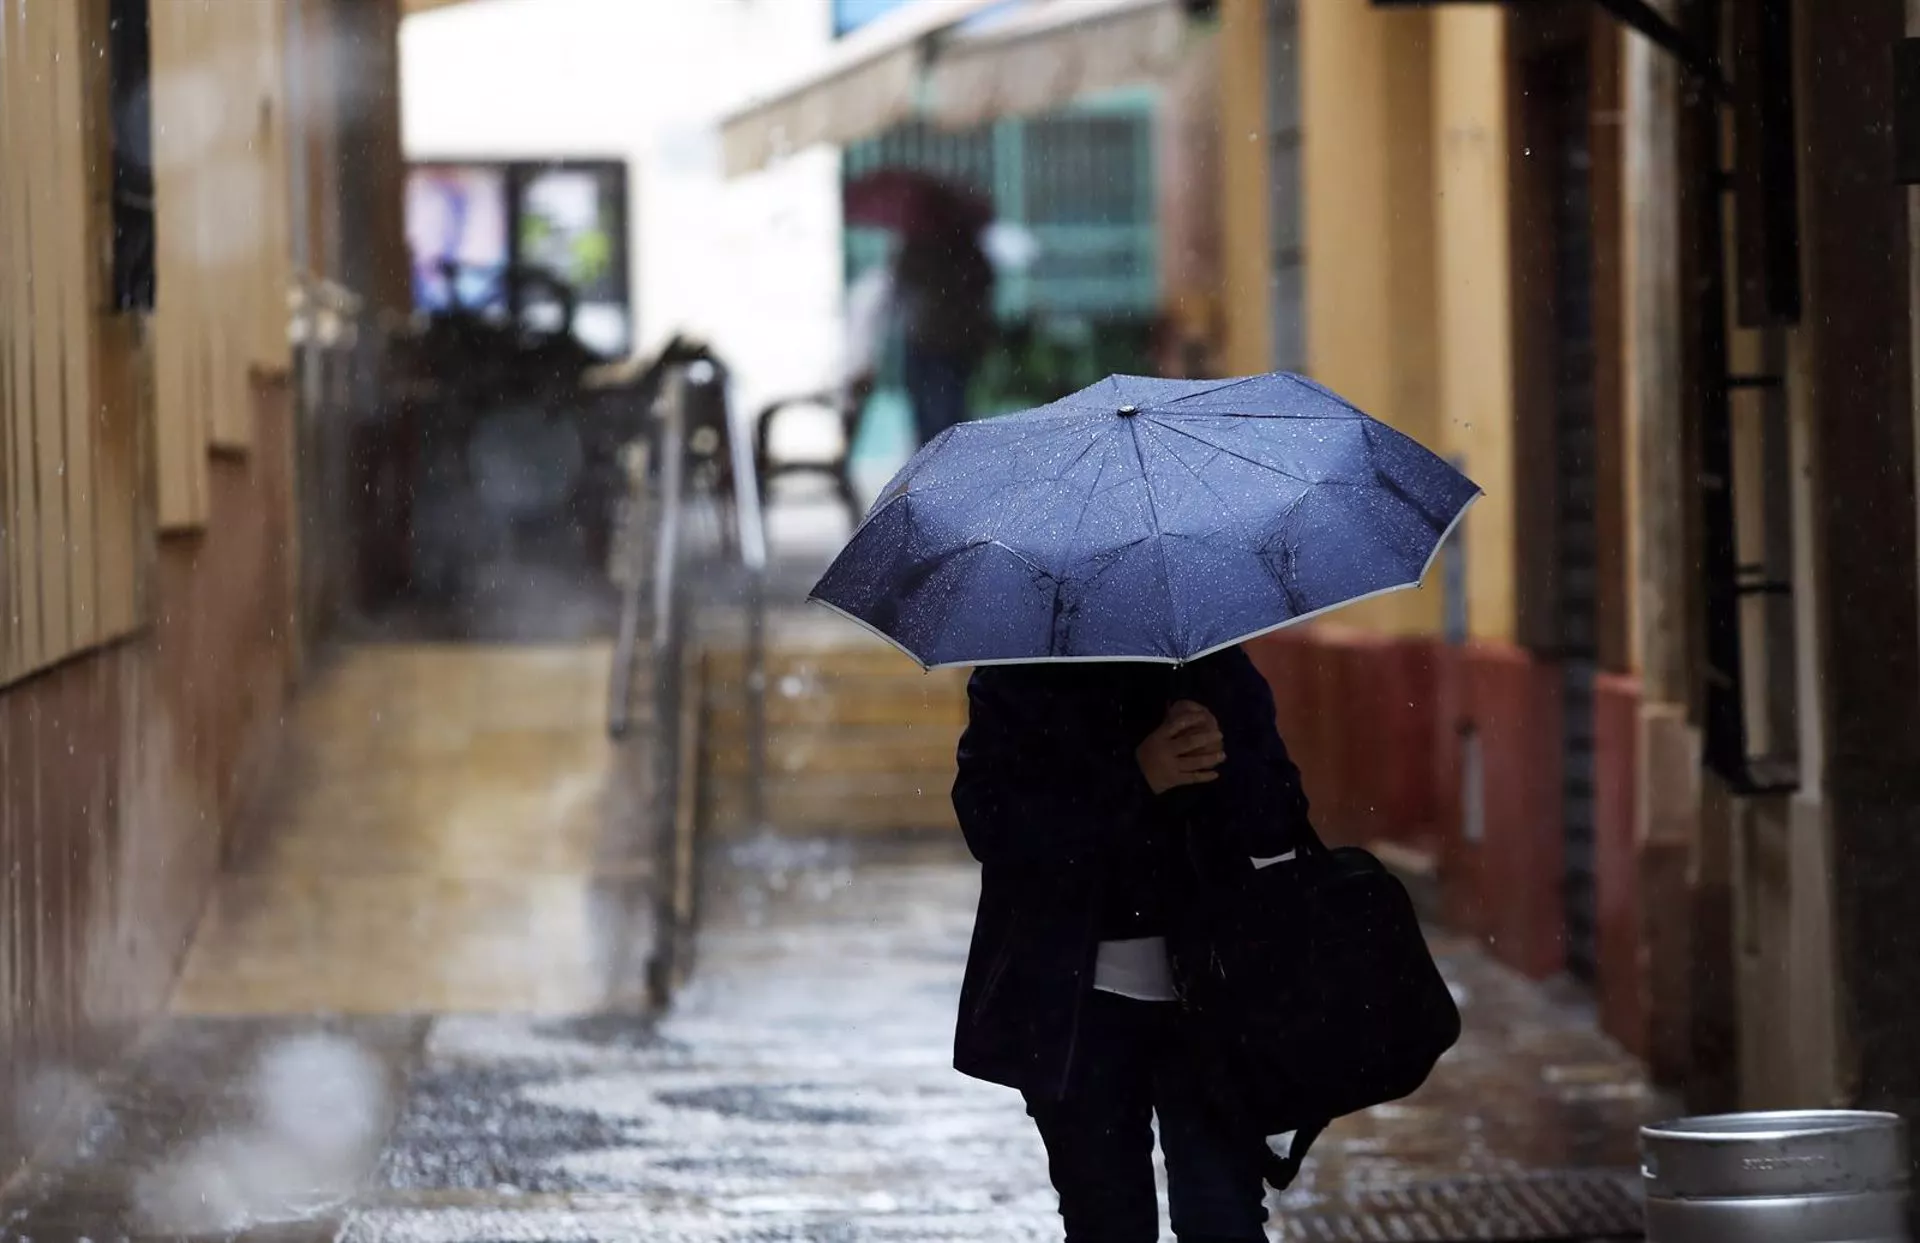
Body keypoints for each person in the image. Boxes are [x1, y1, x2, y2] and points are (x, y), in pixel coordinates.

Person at [950, 648, 1314, 1243]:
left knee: (1223, 1219)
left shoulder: (1212, 666)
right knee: (1107, 1225)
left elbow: (1278, 819)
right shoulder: (1018, 677)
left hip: (1212, 1005)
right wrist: (1136, 775)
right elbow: (991, 824)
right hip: (1073, 1011)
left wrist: (1230, 756)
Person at [892, 210, 994, 446]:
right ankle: (936, 465)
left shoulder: (960, 251)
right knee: (935, 414)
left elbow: (980, 286)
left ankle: (939, 465)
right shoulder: (924, 248)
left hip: (943, 343)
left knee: (942, 414)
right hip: (930, 341)